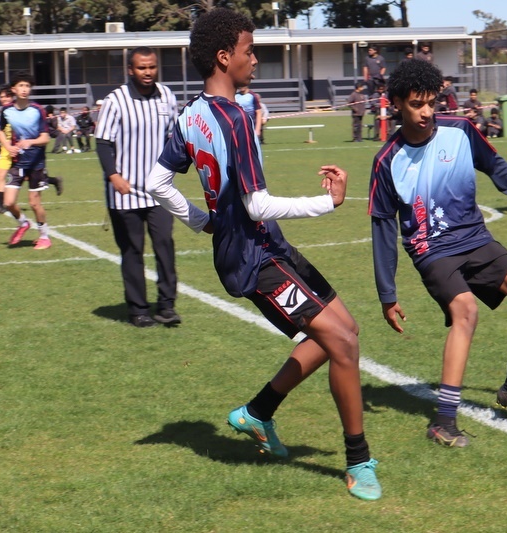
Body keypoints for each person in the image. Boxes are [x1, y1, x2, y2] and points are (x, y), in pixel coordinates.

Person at [144, 7, 381, 501]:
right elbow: (256, 203)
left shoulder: (190, 115)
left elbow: (156, 181)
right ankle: (359, 462)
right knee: (342, 344)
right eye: (250, 51)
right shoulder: (236, 117)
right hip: (254, 259)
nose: (256, 58)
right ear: (224, 57)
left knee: (345, 332)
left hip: (263, 246)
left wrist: (201, 219)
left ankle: (257, 412)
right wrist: (328, 203)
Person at [369, 58, 507, 447]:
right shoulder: (387, 161)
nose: (426, 112)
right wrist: (387, 294)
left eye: (432, 103)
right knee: (466, 310)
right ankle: (443, 421)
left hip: (475, 238)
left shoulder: (460, 132)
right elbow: (382, 228)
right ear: (395, 104)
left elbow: (499, 168)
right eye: (416, 104)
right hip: (431, 249)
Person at [94, 46, 181, 328]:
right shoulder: (115, 100)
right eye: (142, 68)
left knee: (165, 245)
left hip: (159, 191)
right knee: (132, 251)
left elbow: (174, 136)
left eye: (152, 67)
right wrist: (113, 175)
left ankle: (166, 306)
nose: (148, 72)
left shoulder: (167, 96)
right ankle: (138, 309)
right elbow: (103, 142)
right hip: (125, 192)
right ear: (130, 70)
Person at [0, 72, 53, 250]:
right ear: (13, 89)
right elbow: (0, 131)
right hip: (18, 161)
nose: (24, 89)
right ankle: (23, 223)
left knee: (34, 203)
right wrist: (7, 144)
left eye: (27, 86)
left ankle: (44, 237)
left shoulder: (37, 110)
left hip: (36, 162)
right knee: (8, 202)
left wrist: (31, 141)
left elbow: (46, 138)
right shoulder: (7, 111)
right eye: (21, 86)